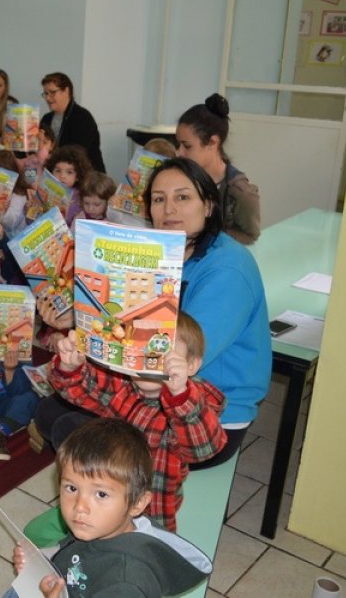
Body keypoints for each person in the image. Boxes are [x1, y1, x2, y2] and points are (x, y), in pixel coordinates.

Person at [33, 157, 270, 466]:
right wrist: (75, 317)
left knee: (68, 427)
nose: (169, 209)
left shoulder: (229, 268)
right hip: (151, 387)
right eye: (159, 199)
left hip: (206, 416)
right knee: (51, 411)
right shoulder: (168, 252)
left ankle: (119, 488)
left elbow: (180, 353)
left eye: (182, 197)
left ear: (209, 206)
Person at [47, 312, 226, 531]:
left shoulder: (188, 407)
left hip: (151, 512)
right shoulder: (122, 384)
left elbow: (203, 447)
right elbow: (78, 387)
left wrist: (180, 394)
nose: (149, 358)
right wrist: (69, 366)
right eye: (140, 348)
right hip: (104, 495)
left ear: (191, 366)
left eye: (162, 351)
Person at [6, 418, 212, 598]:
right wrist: (40, 562)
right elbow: (72, 550)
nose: (80, 506)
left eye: (101, 494)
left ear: (137, 503)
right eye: (72, 488)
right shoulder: (99, 525)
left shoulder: (127, 583)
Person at [176, 93, 261, 244]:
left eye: (187, 146)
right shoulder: (180, 177)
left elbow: (250, 236)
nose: (179, 153)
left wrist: (207, 232)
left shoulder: (241, 193)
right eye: (178, 145)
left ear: (213, 142)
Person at [39, 72, 106, 172]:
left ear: (66, 91)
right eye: (46, 94)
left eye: (52, 92)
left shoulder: (82, 117)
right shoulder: (46, 118)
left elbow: (75, 154)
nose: (48, 98)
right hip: (58, 174)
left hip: (86, 177)